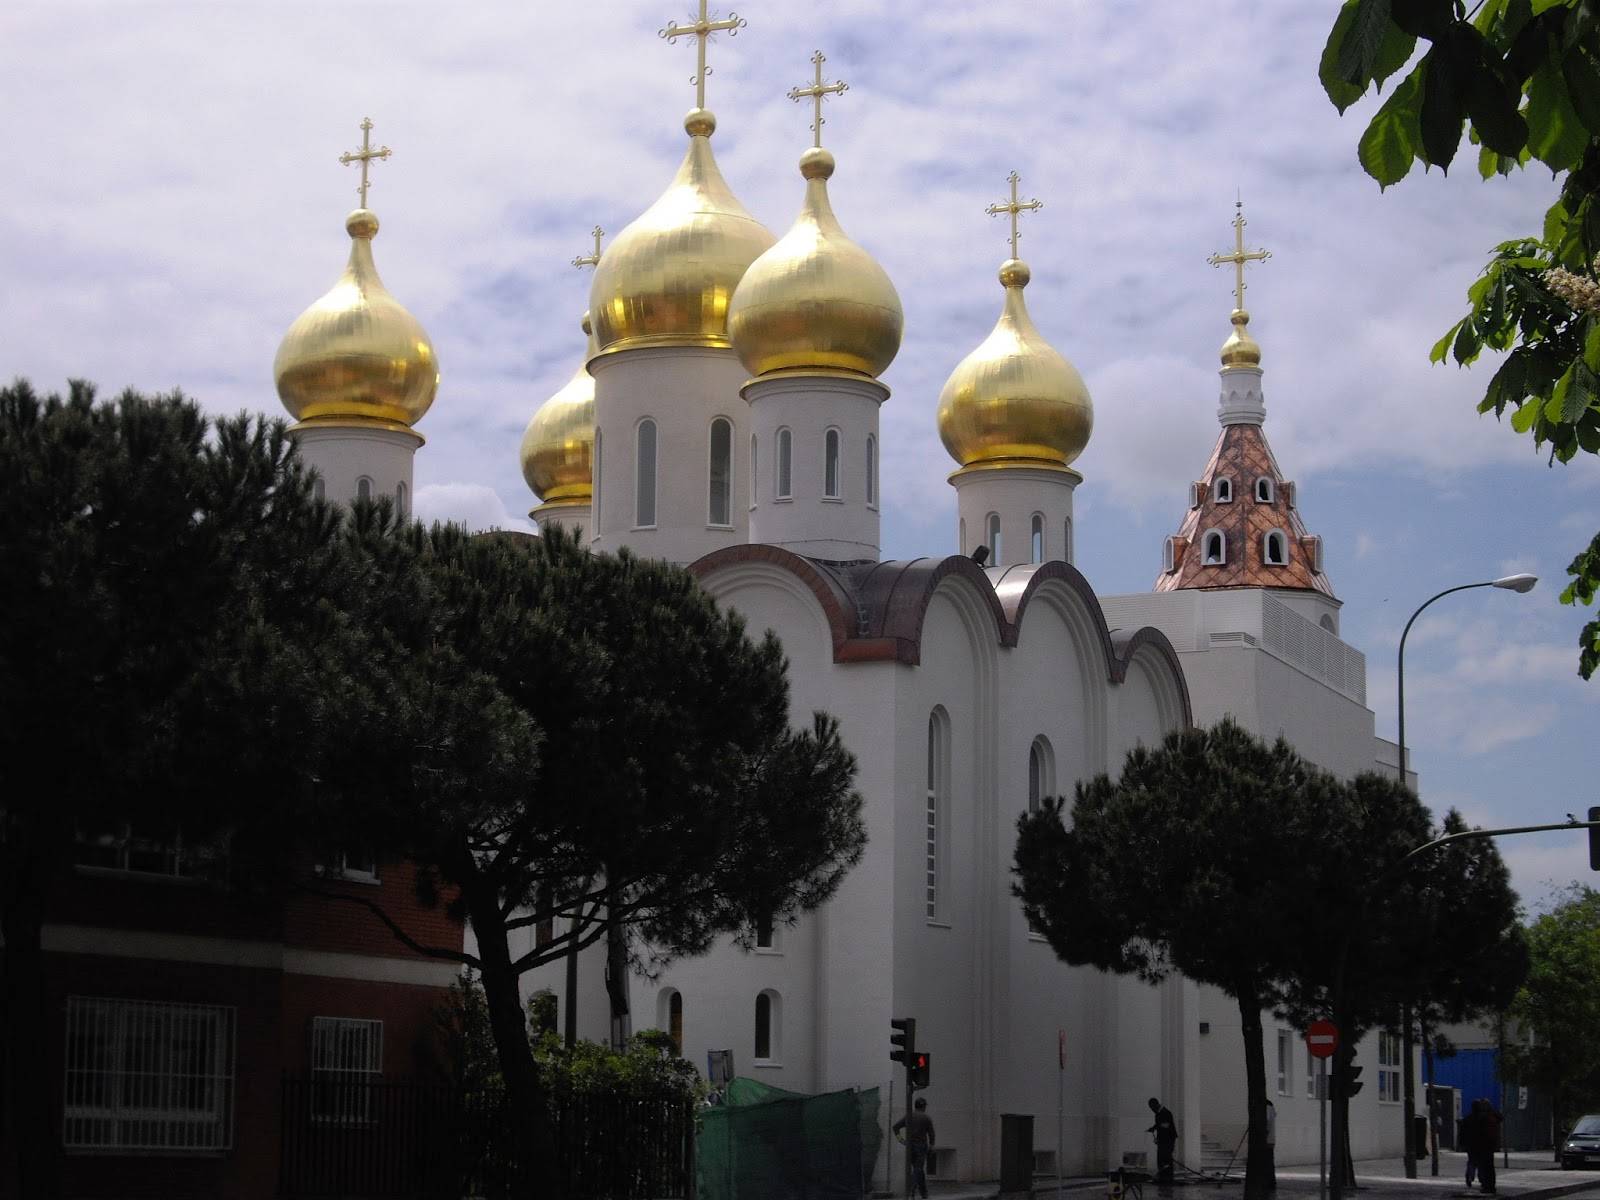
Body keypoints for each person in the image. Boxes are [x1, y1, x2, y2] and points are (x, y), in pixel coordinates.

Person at [894, 1096, 936, 1200]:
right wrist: (931, 1147)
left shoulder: (909, 1116)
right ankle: (912, 1189)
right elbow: (932, 1135)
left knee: (918, 1169)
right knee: (918, 1169)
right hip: (921, 1147)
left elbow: (895, 1127)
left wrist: (901, 1140)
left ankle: (924, 1193)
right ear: (923, 1106)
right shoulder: (926, 1118)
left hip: (910, 1147)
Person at [1461, 1098, 1504, 1194]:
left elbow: (1466, 1133)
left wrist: (1463, 1144)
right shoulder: (1491, 1117)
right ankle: (1488, 1184)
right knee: (1488, 1166)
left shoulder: (1478, 1118)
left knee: (1477, 1163)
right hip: (1488, 1145)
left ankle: (1480, 1181)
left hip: (1478, 1145)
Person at [1148, 1097, 1177, 1184]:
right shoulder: (1158, 1113)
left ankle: (1168, 1178)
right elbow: (1159, 1124)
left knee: (1167, 1158)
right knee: (1160, 1158)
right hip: (1163, 1139)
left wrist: (1157, 1131)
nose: (1152, 1110)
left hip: (1169, 1138)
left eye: (1152, 1108)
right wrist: (1153, 1128)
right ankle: (1163, 1177)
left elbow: (1166, 1126)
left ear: (1156, 1105)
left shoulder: (1166, 1113)